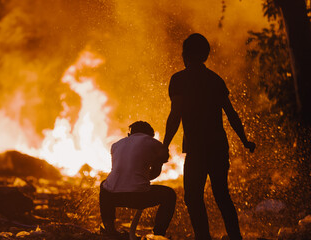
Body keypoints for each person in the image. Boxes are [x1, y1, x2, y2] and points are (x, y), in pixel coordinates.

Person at [163, 33, 256, 240]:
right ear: (206, 55)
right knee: (222, 195)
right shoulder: (215, 79)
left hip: (197, 149)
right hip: (218, 147)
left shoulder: (179, 80)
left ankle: (203, 237)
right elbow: (231, 114)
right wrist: (245, 140)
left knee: (193, 197)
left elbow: (175, 115)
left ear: (184, 54)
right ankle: (235, 237)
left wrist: (165, 144)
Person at [100, 121, 176, 239]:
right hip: (138, 196)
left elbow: (124, 172)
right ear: (151, 134)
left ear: (130, 133)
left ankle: (110, 230)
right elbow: (155, 172)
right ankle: (158, 234)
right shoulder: (153, 142)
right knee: (169, 195)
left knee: (104, 186)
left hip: (111, 196)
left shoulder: (116, 145)